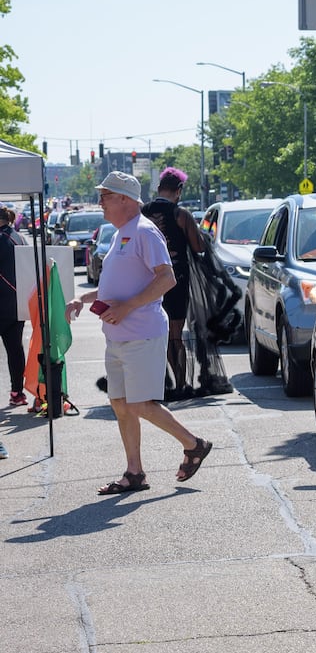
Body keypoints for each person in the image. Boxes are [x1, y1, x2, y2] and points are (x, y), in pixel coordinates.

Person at [65, 172, 212, 495]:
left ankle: (193, 444)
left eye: (105, 195)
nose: (100, 201)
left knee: (139, 404)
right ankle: (134, 473)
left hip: (141, 332)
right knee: (119, 402)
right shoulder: (121, 234)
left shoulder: (145, 231)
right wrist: (83, 299)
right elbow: (114, 285)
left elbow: (166, 278)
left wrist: (128, 307)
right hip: (118, 335)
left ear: (125, 200)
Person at [140, 168, 206, 399]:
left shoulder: (142, 213)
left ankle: (156, 382)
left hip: (147, 281)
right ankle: (180, 384)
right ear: (178, 191)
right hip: (176, 280)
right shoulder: (181, 214)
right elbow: (199, 247)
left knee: (153, 334)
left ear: (158, 189)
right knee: (175, 334)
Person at [1, 206, 28, 408]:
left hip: (2, 302)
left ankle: (17, 391)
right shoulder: (19, 238)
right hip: (17, 304)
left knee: (15, 350)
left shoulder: (2, 240)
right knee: (15, 350)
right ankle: (17, 392)